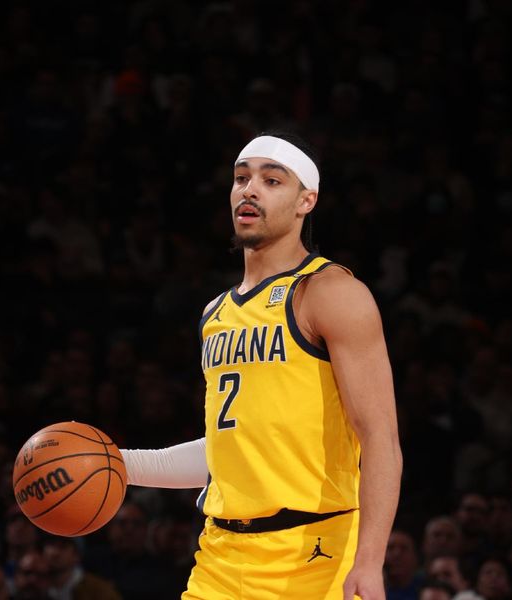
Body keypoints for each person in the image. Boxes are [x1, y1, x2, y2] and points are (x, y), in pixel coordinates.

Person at [118, 131, 402, 599]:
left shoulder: (330, 293)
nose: (249, 189)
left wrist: (370, 561)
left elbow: (380, 438)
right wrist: (119, 464)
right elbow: (233, 451)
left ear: (305, 200)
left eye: (272, 181)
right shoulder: (216, 314)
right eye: (241, 178)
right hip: (221, 556)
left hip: (316, 553)